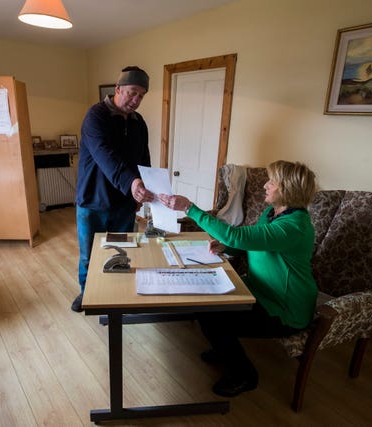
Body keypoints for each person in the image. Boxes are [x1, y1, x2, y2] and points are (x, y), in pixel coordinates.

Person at [158, 160, 318, 397]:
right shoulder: (271, 213)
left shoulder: (294, 226)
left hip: (285, 309)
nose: (265, 185)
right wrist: (227, 248)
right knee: (208, 305)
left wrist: (189, 208)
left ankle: (245, 375)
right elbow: (252, 244)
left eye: (271, 182)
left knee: (213, 319)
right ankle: (223, 346)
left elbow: (235, 235)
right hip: (261, 292)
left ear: (287, 189)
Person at [72, 66, 155, 312]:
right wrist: (132, 183)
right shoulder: (96, 116)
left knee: (121, 251)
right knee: (90, 254)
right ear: (117, 89)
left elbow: (144, 160)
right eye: (132, 93)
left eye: (141, 95)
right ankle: (86, 293)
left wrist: (144, 187)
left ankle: (116, 293)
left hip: (123, 205)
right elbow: (105, 157)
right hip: (92, 201)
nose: (136, 100)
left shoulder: (139, 123)